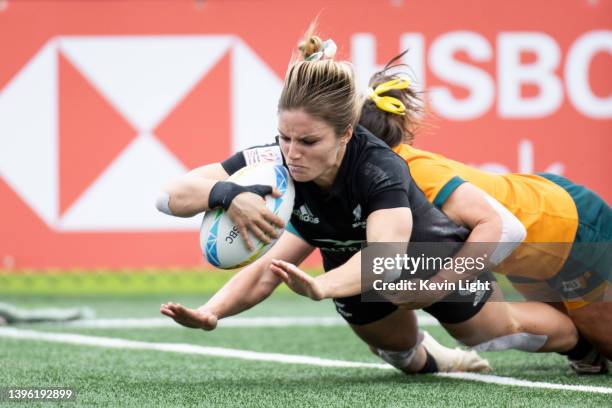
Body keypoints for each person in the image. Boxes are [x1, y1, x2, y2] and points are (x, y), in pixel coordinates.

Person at [157, 28, 585, 375]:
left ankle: (583, 343)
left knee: (490, 332)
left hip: (425, 256)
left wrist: (322, 285)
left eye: (308, 141)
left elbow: (386, 258)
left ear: (345, 135)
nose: (292, 152)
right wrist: (227, 198)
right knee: (401, 354)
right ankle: (434, 358)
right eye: (285, 137)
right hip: (349, 264)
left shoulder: (379, 169)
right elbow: (169, 196)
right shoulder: (274, 161)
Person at [275, 51, 611, 373]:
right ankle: (585, 351)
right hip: (533, 251)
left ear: (348, 138)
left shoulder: (400, 174)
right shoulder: (351, 177)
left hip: (570, 228)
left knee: (600, 339)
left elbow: (506, 230)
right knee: (576, 338)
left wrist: (438, 285)